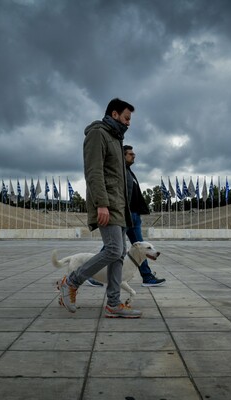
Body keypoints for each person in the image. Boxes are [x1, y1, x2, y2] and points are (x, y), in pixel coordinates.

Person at [59, 98, 142, 318]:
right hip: (108, 205)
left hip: (120, 206)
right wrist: (101, 204)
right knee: (114, 249)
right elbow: (94, 172)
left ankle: (113, 304)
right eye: (126, 118)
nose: (129, 123)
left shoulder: (116, 139)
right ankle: (71, 281)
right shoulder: (98, 134)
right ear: (114, 114)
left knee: (118, 255)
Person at [124, 145, 166, 287]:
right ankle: (91, 275)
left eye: (133, 153)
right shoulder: (121, 172)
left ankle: (147, 277)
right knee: (110, 248)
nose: (133, 155)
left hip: (134, 216)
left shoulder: (130, 173)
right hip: (125, 215)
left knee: (143, 248)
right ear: (122, 156)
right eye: (130, 154)